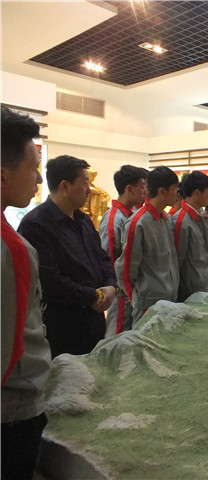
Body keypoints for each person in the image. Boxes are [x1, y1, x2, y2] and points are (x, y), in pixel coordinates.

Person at [19, 155, 117, 357]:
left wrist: (110, 285)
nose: (89, 190)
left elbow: (102, 257)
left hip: (93, 319)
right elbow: (48, 279)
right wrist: (93, 296)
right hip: (62, 325)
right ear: (65, 186)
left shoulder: (83, 220)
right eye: (84, 183)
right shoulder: (36, 225)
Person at [1, 106, 51, 480]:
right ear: (3, 175)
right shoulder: (12, 248)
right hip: (12, 408)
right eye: (33, 168)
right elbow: (9, 349)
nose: (38, 179)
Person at [116, 166, 180, 323]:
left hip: (169, 299)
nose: (177, 194)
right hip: (148, 304)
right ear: (162, 191)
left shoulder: (166, 218)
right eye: (174, 189)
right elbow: (126, 269)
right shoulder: (137, 223)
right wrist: (135, 299)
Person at [99, 165, 148, 336]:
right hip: (121, 292)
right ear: (129, 189)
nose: (145, 191)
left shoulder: (133, 213)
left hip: (131, 290)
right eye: (142, 186)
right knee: (117, 335)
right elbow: (111, 258)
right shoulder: (114, 219)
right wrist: (120, 288)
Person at [172, 171, 208, 302]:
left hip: (203, 287)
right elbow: (177, 261)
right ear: (197, 193)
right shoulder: (181, 221)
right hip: (189, 293)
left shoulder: (199, 216)